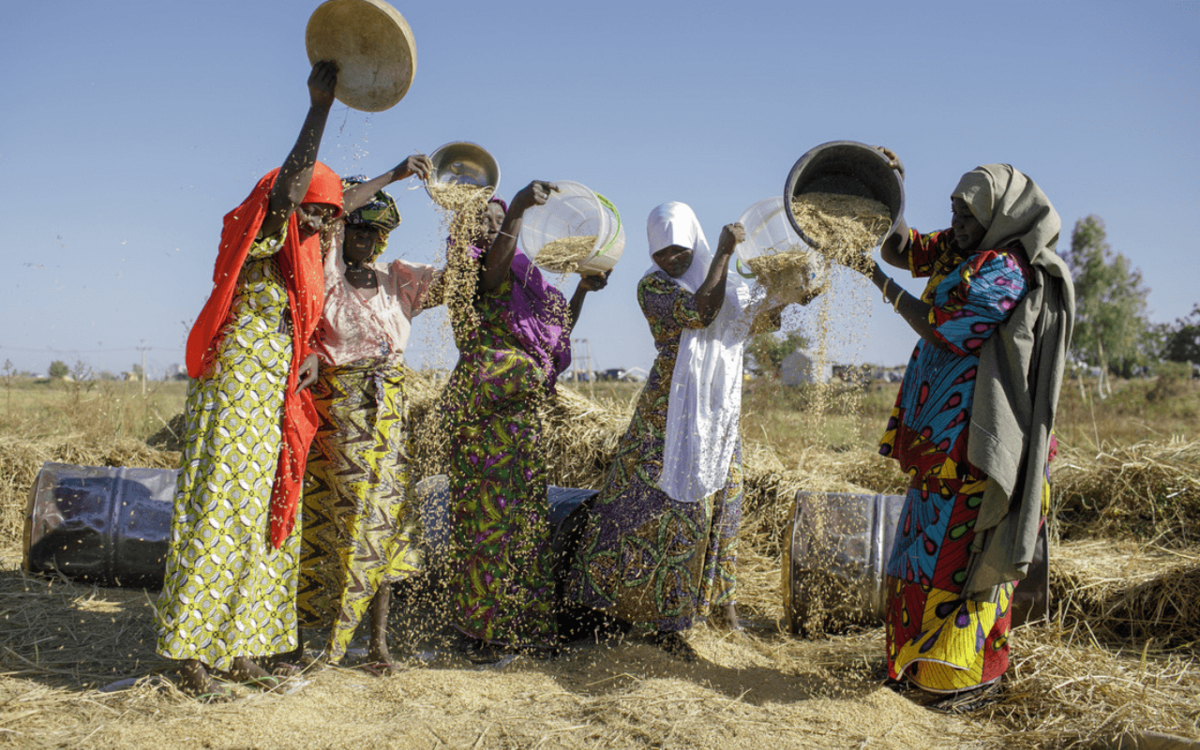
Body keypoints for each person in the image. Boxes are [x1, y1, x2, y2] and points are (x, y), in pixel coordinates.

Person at [156, 62, 345, 699]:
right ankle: (192, 659)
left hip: (274, 398)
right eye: (316, 215)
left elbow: (328, 199)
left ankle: (246, 650)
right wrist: (318, 109)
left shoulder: (306, 252)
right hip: (235, 390)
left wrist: (398, 175)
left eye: (330, 218)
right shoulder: (264, 234)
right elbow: (293, 190)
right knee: (217, 512)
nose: (322, 228)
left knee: (270, 517)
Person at [866, 157, 1074, 701]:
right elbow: (900, 248)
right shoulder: (965, 250)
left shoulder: (1006, 268)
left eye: (967, 211)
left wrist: (878, 285)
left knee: (959, 565)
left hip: (974, 443)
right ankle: (914, 668)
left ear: (1000, 214)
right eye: (953, 208)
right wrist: (894, 192)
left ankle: (954, 681)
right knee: (920, 559)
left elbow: (945, 330)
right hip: (940, 443)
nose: (955, 220)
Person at [565, 202, 784, 660]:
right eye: (661, 252)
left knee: (724, 509)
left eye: (679, 250)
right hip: (667, 416)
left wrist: (787, 291)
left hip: (717, 411)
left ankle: (722, 612)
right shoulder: (653, 287)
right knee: (654, 510)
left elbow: (751, 323)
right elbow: (703, 313)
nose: (671, 259)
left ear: (693, 241)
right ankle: (646, 617)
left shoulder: (722, 279)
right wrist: (723, 253)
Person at [442, 181, 609, 662]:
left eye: (501, 221)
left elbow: (555, 332)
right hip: (485, 417)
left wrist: (580, 290)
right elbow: (492, 273)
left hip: (521, 419)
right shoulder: (474, 268)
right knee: (485, 526)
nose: (495, 228)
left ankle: (517, 627)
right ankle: (481, 634)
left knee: (524, 523)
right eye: (487, 223)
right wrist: (515, 207)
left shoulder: (526, 278)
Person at [294, 161, 440, 673]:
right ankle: (307, 642)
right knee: (332, 521)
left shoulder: (397, 280)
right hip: (343, 413)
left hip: (390, 414)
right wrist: (395, 176)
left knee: (386, 527)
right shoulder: (327, 276)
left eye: (374, 233)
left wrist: (466, 223)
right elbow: (332, 214)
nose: (364, 240)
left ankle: (377, 647)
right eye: (358, 230)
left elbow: (460, 281)